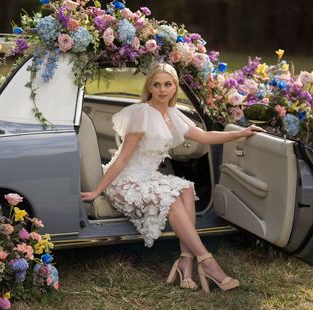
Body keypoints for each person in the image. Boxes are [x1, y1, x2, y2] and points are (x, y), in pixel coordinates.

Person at [81, 63, 264, 293]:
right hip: (125, 181)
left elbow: (205, 136)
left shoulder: (173, 114)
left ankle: (185, 261)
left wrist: (240, 132)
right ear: (149, 86)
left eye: (167, 84)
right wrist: (99, 190)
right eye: (156, 85)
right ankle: (206, 262)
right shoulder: (141, 114)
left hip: (148, 177)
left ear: (175, 87)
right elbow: (122, 160)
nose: (162, 90)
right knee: (173, 199)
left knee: (186, 188)